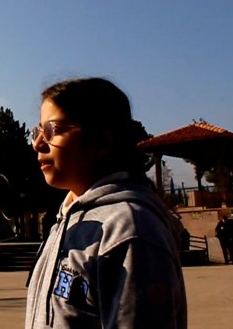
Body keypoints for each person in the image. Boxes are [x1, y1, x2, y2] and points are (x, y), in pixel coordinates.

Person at [25, 77, 187, 329]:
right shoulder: (65, 220)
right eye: (37, 132)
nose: (37, 143)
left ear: (101, 141)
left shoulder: (129, 229)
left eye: (52, 130)